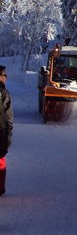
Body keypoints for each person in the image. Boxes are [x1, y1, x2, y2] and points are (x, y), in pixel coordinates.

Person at [0, 65, 13, 196]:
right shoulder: (4, 93)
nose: (5, 78)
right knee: (0, 162)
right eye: (4, 76)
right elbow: (8, 117)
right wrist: (8, 136)